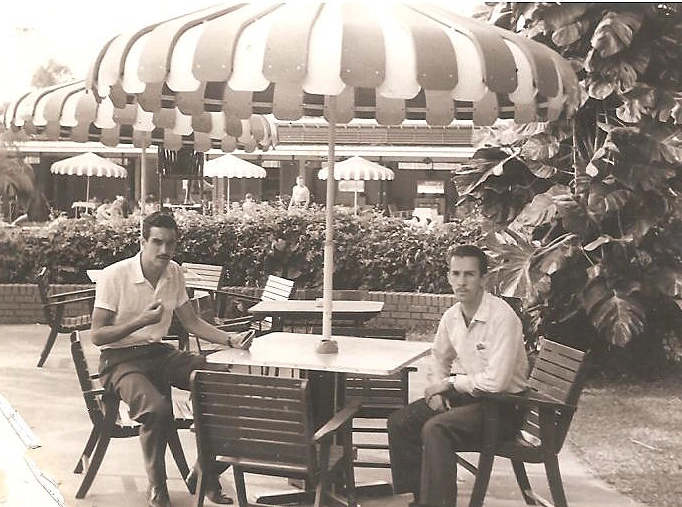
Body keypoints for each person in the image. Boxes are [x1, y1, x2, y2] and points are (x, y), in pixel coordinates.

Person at [90, 211, 254, 507]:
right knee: (156, 410)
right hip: (119, 360)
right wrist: (139, 322)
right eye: (157, 242)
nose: (165, 251)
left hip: (158, 353)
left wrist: (230, 339)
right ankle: (158, 489)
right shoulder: (115, 275)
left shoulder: (173, 272)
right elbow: (98, 336)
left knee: (225, 385)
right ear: (142, 242)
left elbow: (191, 322)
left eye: (171, 244)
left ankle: (206, 471)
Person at [387, 244, 528, 507]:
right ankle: (417, 500)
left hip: (505, 407)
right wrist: (436, 392)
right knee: (400, 422)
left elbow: (497, 383)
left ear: (483, 279)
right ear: (449, 277)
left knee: (437, 429)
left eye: (469, 274)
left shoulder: (502, 318)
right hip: (475, 399)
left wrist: (449, 383)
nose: (461, 282)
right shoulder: (452, 316)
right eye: (456, 274)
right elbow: (440, 357)